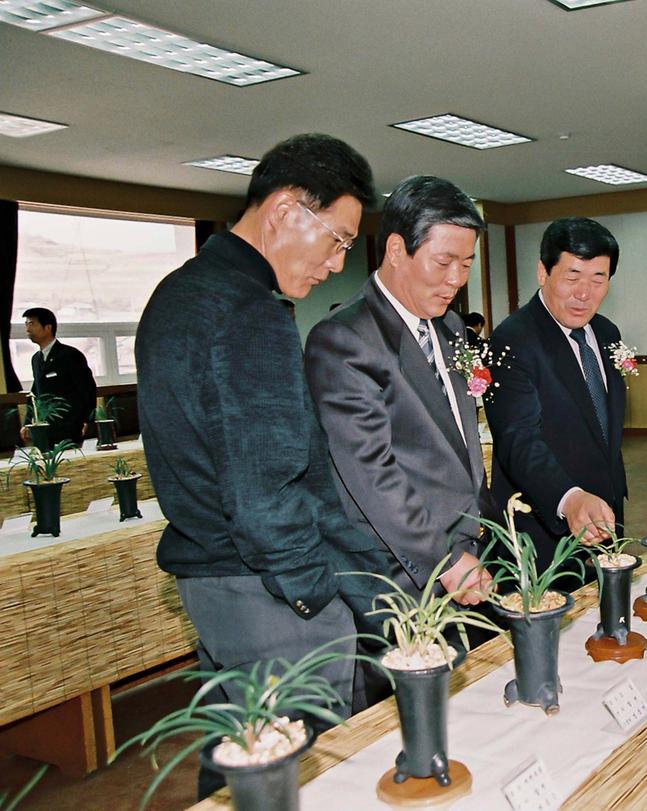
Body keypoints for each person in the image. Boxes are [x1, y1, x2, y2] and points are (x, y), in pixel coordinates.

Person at [136, 133, 380, 798]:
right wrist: (314, 592)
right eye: (336, 241)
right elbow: (266, 486)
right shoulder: (250, 311)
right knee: (301, 774)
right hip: (270, 594)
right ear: (282, 213)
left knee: (241, 766)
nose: (335, 265)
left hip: (215, 585)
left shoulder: (181, 292)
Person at [304, 175, 494, 606]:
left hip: (467, 552)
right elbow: (372, 471)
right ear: (395, 250)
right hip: (397, 571)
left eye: (466, 264)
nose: (456, 280)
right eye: (443, 261)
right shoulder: (346, 339)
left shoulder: (450, 329)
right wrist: (443, 557)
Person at [485, 217, 626, 577]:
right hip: (546, 532)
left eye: (599, 279)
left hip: (604, 520)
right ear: (542, 273)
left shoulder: (607, 332)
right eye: (572, 277)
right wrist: (568, 498)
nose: (584, 293)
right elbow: (517, 439)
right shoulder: (513, 340)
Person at [19, 307, 97, 447]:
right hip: (46, 429)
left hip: (70, 426)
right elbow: (35, 393)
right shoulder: (36, 359)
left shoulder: (70, 355)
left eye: (32, 323)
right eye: (26, 324)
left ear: (48, 327)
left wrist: (87, 420)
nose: (27, 328)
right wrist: (28, 422)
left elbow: (88, 390)